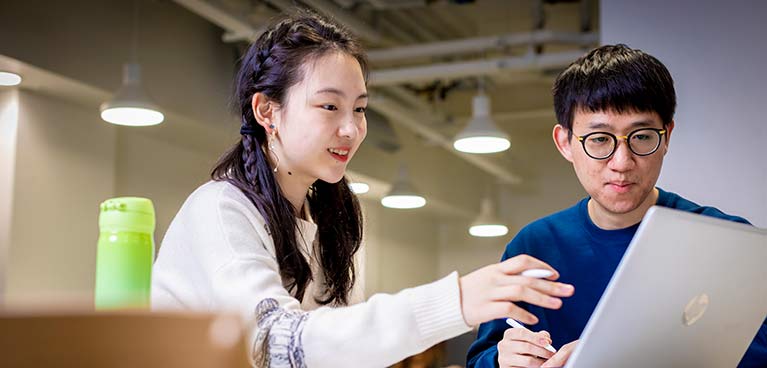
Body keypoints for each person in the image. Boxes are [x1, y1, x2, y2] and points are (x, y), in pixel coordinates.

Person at [151, 12, 575, 368]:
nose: (351, 128)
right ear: (267, 110)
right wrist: (457, 300)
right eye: (330, 106)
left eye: (359, 108)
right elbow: (277, 345)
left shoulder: (326, 219)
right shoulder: (221, 209)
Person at [466, 44, 767, 368]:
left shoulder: (727, 243)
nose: (622, 163)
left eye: (641, 137)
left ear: (667, 137)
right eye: (599, 139)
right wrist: (501, 359)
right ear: (565, 142)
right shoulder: (533, 247)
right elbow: (481, 360)